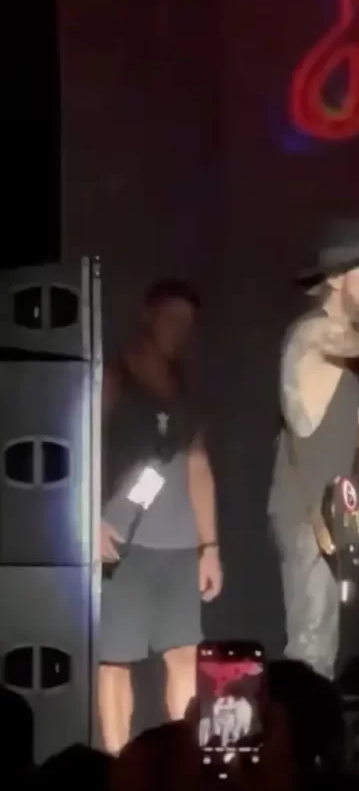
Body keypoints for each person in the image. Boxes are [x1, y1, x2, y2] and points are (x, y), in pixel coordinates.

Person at [98, 279, 223, 755]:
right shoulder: (116, 377)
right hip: (122, 542)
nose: (179, 330)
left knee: (185, 655)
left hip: (178, 544)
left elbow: (198, 467)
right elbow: (82, 443)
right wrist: (89, 521)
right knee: (116, 659)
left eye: (187, 323)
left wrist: (209, 548)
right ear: (148, 317)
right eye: (171, 318)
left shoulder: (184, 390)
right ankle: (116, 764)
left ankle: (185, 759)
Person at [268, 218, 359, 680]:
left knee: (324, 646)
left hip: (335, 512)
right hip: (310, 517)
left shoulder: (348, 353)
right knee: (312, 650)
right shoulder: (314, 333)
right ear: (337, 278)